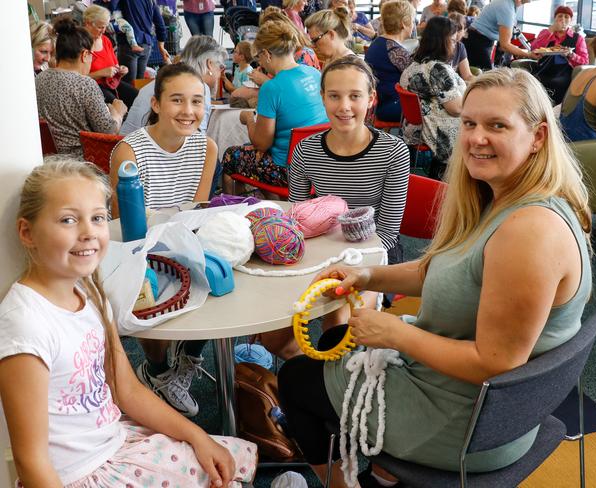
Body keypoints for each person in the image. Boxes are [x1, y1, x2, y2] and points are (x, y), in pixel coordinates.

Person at [277, 67, 593, 488]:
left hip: (469, 426)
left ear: (537, 136)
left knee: (295, 380)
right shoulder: (505, 200)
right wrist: (368, 275)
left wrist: (395, 333)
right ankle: (385, 474)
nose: (476, 138)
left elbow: (494, 363)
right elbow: (443, 271)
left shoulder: (528, 232)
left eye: (497, 125)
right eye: (469, 123)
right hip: (483, 407)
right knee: (335, 342)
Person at [0, 160, 257, 487]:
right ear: (27, 232)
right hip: (80, 475)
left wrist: (197, 436)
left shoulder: (89, 292)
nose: (88, 232)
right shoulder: (25, 324)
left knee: (230, 462)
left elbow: (126, 388)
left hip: (115, 442)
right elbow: (31, 460)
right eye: (68, 220)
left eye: (97, 218)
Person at [259, 56, 409, 361]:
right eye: (334, 96)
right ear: (323, 98)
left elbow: (388, 234)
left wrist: (351, 272)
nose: (344, 106)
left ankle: (328, 385)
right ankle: (318, 379)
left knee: (337, 324)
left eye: (355, 96)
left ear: (371, 99)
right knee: (271, 337)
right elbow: (297, 223)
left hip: (375, 258)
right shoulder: (306, 150)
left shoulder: (393, 152)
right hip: (320, 255)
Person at [110, 63, 219, 416]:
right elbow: (125, 224)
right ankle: (156, 369)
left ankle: (188, 357)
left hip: (183, 237)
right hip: (139, 246)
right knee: (145, 288)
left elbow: (195, 211)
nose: (189, 112)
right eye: (177, 100)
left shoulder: (207, 147)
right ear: (155, 104)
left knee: (219, 271)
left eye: (197, 102)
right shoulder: (129, 150)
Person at [222, 20, 328, 193]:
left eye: (259, 58)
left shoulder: (272, 87)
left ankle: (236, 211)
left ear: (267, 54)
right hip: (321, 165)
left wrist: (249, 119)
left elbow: (262, 143)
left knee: (230, 156)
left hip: (289, 172)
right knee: (255, 151)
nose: (260, 64)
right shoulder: (315, 73)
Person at [36, 16, 127, 155]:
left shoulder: (39, 79)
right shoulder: (85, 85)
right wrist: (118, 112)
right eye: (92, 56)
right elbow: (109, 131)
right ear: (85, 54)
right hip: (83, 164)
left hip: (49, 159)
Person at [400, 16, 466, 179]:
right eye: (451, 40)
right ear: (441, 42)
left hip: (415, 130)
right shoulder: (437, 69)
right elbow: (456, 109)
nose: (455, 45)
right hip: (438, 135)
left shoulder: (414, 63)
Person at [121, 35, 226, 135]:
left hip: (125, 143)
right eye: (221, 67)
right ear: (209, 64)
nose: (220, 74)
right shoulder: (200, 88)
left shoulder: (162, 80)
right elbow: (197, 140)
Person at [365, 0, 414, 122]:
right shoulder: (394, 50)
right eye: (412, 21)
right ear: (403, 23)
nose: (413, 25)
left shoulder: (378, 42)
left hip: (379, 104)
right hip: (390, 106)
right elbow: (417, 79)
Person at [529, 5, 589, 105]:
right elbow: (533, 48)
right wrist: (551, 30)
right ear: (555, 19)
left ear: (571, 20)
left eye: (566, 17)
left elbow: (585, 61)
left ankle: (552, 110)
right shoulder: (546, 32)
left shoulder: (577, 38)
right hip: (544, 68)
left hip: (563, 72)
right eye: (560, 16)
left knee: (557, 83)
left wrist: (571, 55)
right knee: (533, 79)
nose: (563, 19)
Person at [83, 5, 139, 109]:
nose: (103, 31)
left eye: (105, 27)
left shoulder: (106, 41)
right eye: (100, 27)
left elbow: (115, 66)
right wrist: (100, 73)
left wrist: (121, 70)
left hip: (112, 84)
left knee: (138, 97)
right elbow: (76, 78)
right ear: (88, 24)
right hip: (93, 88)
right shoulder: (80, 44)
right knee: (117, 106)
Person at [464, 0, 537, 70]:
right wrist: (528, 55)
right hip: (477, 42)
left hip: (480, 39)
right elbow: (505, 45)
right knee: (487, 79)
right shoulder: (506, 7)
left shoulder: (510, 4)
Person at [109, 0, 170, 83]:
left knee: (128, 84)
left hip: (128, 46)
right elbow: (160, 25)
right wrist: (161, 47)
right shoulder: (151, 2)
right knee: (139, 83)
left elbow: (110, 8)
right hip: (146, 45)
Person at [448, 12, 476, 82]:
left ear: (464, 31)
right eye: (453, 29)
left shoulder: (460, 47)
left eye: (459, 29)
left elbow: (467, 76)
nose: (456, 33)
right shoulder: (439, 45)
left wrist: (482, 82)